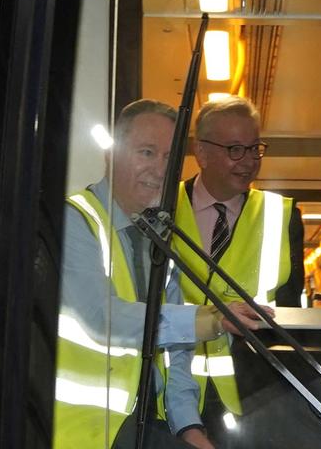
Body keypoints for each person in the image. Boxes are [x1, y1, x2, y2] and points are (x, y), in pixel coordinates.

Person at [55, 99, 238, 449]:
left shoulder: (158, 234)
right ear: (112, 157)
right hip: (84, 432)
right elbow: (102, 317)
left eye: (170, 158)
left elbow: (174, 351)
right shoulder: (75, 220)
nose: (160, 169)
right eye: (147, 152)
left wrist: (188, 427)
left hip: (140, 425)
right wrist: (209, 320)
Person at [169, 96, 305, 443]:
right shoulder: (161, 208)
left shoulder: (282, 215)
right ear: (201, 151)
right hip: (169, 393)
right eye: (235, 150)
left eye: (254, 148)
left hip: (256, 397)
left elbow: (290, 313)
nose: (248, 162)